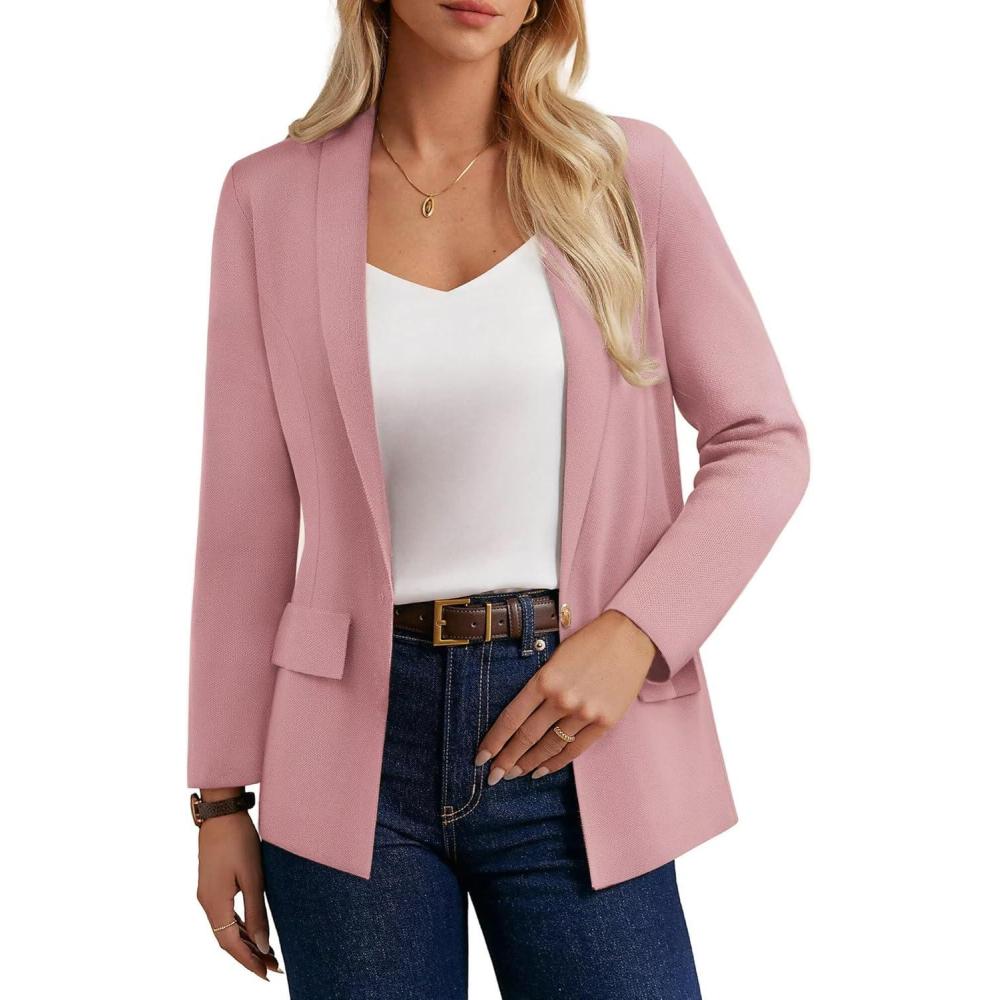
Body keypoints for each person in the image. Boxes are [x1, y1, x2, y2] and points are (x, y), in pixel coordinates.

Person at [187, 1, 810, 996]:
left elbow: (763, 439)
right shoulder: (269, 196)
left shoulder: (624, 173)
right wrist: (219, 798)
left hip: (573, 733)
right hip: (348, 752)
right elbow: (244, 520)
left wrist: (637, 633)